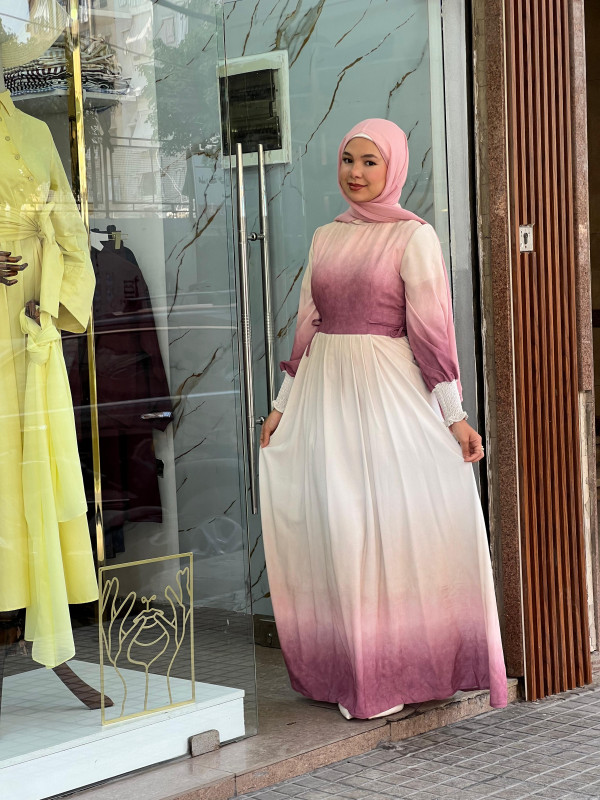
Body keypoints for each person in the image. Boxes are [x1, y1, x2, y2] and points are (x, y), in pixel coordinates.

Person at [259, 118, 507, 720]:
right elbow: (307, 327)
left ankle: (406, 669)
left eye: (371, 162)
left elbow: (432, 334)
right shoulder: (325, 237)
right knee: (340, 529)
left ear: (393, 167)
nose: (357, 173)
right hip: (325, 397)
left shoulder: (414, 236)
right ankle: (355, 676)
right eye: (349, 160)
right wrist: (281, 405)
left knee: (392, 529)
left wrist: (455, 417)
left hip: (388, 393)